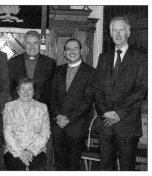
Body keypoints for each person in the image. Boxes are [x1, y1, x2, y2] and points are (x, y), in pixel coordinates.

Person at [95, 16, 147, 171]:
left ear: (128, 32)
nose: (118, 34)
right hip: (106, 125)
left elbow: (140, 91)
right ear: (110, 33)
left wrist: (118, 113)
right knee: (105, 168)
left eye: (121, 30)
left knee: (127, 168)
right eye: (114, 30)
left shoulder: (141, 59)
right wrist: (105, 112)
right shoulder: (103, 58)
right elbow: (97, 89)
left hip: (127, 125)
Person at [50, 38, 95, 171]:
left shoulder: (90, 72)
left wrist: (68, 118)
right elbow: (51, 96)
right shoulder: (58, 71)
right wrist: (58, 116)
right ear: (64, 53)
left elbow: (87, 101)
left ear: (81, 51)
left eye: (75, 48)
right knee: (59, 164)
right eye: (68, 49)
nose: (72, 52)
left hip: (76, 127)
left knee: (73, 166)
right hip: (58, 126)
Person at [3, 78, 51, 171]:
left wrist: (31, 151)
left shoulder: (42, 108)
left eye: (30, 89)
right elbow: (7, 133)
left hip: (37, 150)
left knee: (37, 168)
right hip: (13, 150)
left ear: (34, 92)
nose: (26, 92)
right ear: (17, 91)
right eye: (23, 89)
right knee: (17, 167)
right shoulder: (9, 107)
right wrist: (20, 153)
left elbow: (45, 133)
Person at [8, 30, 56, 105]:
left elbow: (52, 90)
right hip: (18, 108)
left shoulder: (49, 63)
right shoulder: (13, 62)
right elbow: (10, 88)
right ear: (24, 44)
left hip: (42, 108)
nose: (32, 47)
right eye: (29, 43)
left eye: (35, 43)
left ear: (39, 44)